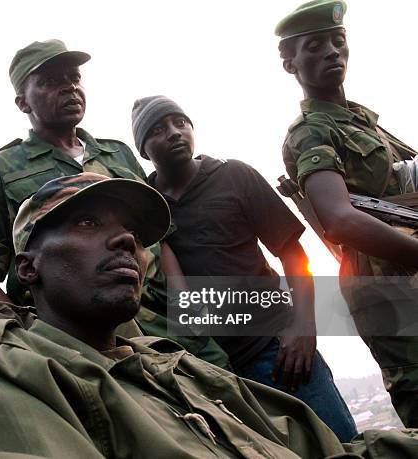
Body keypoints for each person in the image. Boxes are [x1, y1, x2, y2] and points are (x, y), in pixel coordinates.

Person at [0, 173, 418, 458]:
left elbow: (328, 451)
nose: (127, 242)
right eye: (86, 222)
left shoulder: (175, 366)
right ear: (28, 268)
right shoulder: (4, 366)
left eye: (137, 236)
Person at [0, 39, 229, 368]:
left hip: (171, 324)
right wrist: (30, 333)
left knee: (222, 400)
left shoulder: (117, 153)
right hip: (82, 344)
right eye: (50, 81)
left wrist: (187, 305)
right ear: (22, 103)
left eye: (74, 78)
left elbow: (161, 240)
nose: (69, 88)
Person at [131, 95, 356, 441]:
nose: (175, 133)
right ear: (144, 148)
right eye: (159, 129)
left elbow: (293, 254)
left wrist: (303, 327)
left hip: (279, 353)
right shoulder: (147, 207)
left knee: (338, 445)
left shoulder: (234, 176)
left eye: (180, 123)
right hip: (211, 371)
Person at [277, 0, 418, 426]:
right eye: (315, 46)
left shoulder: (364, 122)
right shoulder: (310, 133)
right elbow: (338, 218)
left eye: (338, 42)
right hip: (387, 287)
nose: (331, 52)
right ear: (290, 63)